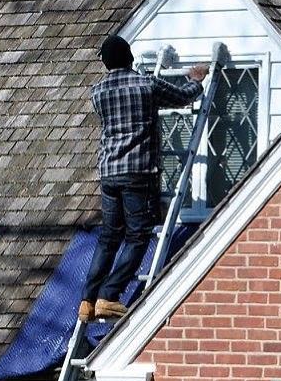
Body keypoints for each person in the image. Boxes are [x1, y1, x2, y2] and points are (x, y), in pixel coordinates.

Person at [78, 35, 208, 322]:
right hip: (138, 171)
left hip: (108, 171)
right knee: (138, 235)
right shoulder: (146, 84)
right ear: (130, 58)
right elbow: (183, 97)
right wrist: (196, 80)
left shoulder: (97, 92)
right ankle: (109, 296)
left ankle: (87, 300)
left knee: (109, 237)